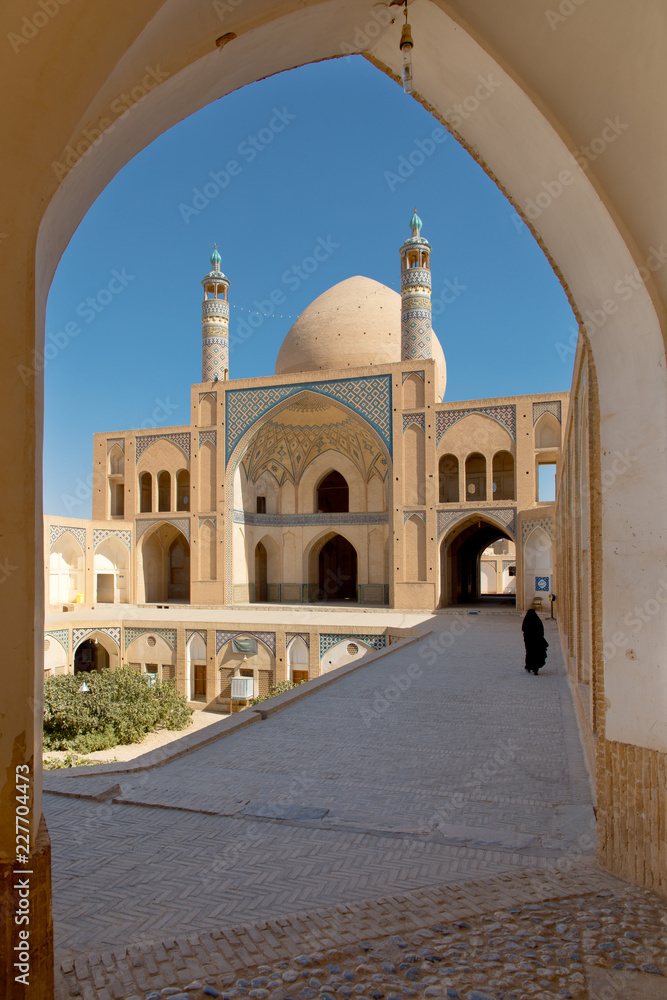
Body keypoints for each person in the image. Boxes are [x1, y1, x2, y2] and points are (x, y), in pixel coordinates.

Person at [522, 608, 548, 674]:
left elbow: (523, 629)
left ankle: (529, 667)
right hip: (537, 641)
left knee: (529, 653)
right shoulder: (537, 621)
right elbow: (541, 630)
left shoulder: (527, 621)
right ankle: (535, 668)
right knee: (536, 653)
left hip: (529, 641)